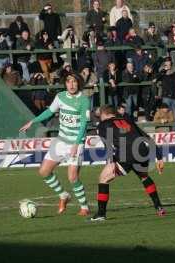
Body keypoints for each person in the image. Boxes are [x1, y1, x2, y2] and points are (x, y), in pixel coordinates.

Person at [20, 72, 91, 216]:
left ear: (79, 83)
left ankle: (84, 207)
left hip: (75, 142)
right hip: (61, 141)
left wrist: (77, 144)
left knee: (72, 177)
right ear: (65, 83)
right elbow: (49, 112)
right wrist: (32, 122)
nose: (71, 85)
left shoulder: (84, 100)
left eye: (74, 82)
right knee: (44, 171)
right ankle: (63, 195)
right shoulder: (60, 97)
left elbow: (84, 124)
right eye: (69, 82)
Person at [90, 105, 165, 221]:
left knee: (103, 179)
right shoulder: (127, 120)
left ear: (104, 114)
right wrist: (159, 157)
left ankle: (101, 214)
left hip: (127, 153)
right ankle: (159, 207)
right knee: (144, 177)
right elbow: (146, 137)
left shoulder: (103, 125)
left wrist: (110, 162)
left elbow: (108, 144)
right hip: (142, 150)